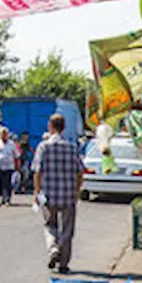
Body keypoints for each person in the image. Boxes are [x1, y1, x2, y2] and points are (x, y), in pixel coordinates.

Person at [34, 113, 84, 274]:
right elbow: (79, 172)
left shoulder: (44, 147)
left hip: (49, 194)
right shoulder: (72, 147)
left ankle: (53, 248)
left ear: (50, 126)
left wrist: (36, 191)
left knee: (50, 225)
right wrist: (77, 191)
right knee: (67, 230)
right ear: (64, 127)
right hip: (68, 195)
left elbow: (37, 171)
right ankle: (63, 264)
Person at [0, 128, 19, 206]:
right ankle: (2, 197)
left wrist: (17, 166)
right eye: (2, 134)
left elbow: (16, 156)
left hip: (9, 167)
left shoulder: (12, 144)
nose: (4, 135)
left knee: (7, 183)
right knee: (0, 183)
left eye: (5, 134)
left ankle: (7, 199)